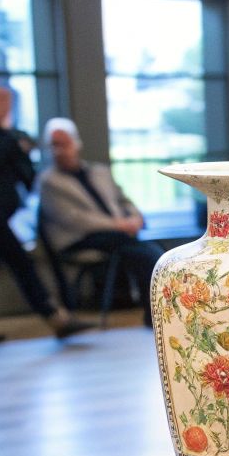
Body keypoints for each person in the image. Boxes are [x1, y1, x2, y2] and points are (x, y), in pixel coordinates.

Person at [0, 76, 92, 344]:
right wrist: (12, 145)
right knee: (20, 264)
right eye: (2, 99)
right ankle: (55, 317)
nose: (7, 104)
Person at [37, 118, 162, 326]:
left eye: (64, 144)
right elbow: (74, 220)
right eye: (54, 145)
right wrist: (119, 225)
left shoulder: (99, 172)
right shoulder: (49, 181)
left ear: (76, 143)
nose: (59, 151)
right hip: (80, 238)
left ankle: (154, 311)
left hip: (116, 235)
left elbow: (123, 199)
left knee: (149, 252)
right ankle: (153, 316)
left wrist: (135, 217)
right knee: (144, 254)